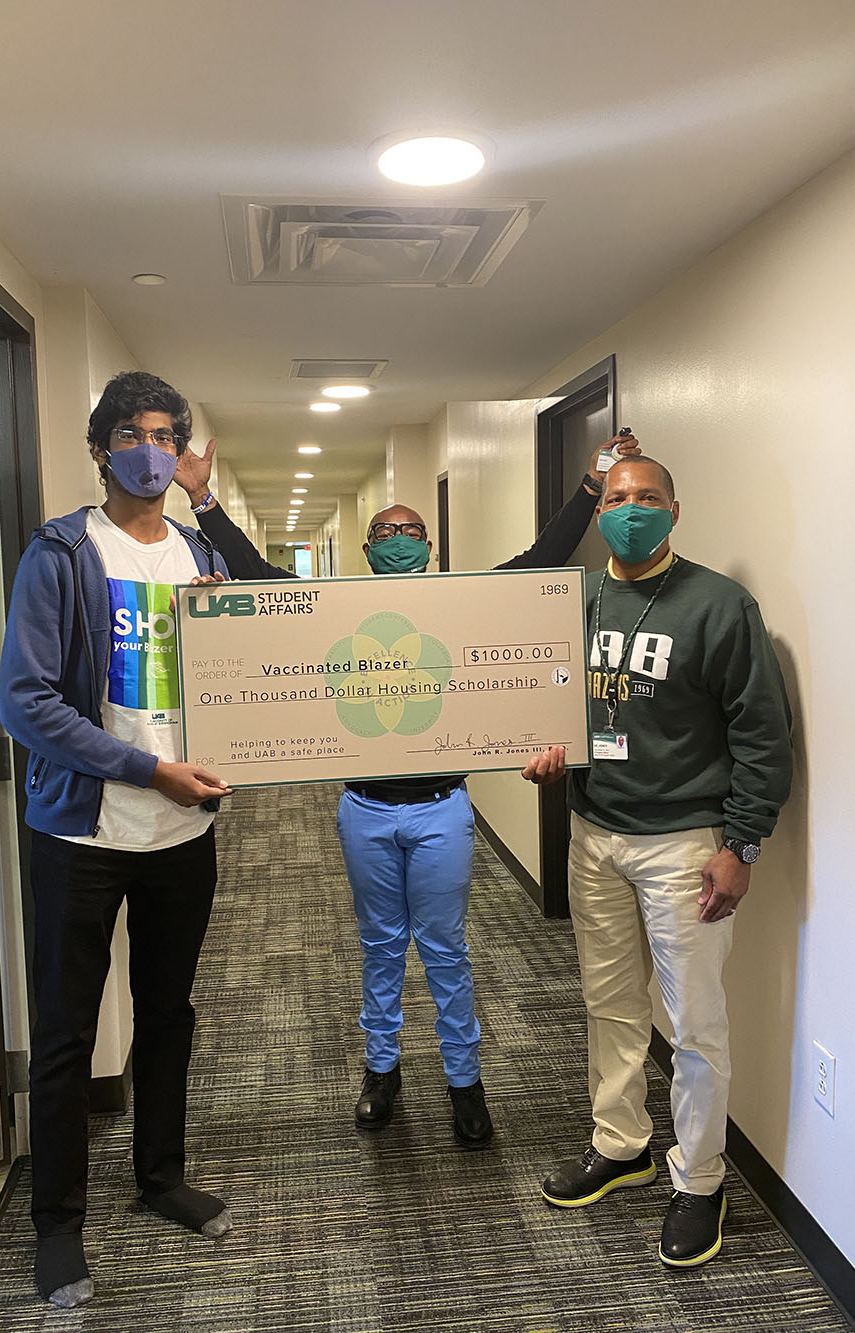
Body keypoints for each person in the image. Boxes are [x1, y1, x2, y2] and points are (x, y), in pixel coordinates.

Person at [173, 433, 640, 1148]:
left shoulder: (456, 603)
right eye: (385, 533)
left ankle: (464, 1080)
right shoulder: (332, 605)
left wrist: (591, 484)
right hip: (364, 809)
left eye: (411, 531)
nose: (398, 539)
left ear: (431, 545)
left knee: (447, 949)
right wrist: (202, 500)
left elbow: (539, 563)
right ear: (365, 550)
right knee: (380, 945)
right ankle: (380, 1070)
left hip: (441, 810)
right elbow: (255, 572)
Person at [0, 372, 236, 1308]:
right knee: (64, 1031)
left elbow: (260, 665)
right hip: (85, 831)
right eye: (133, 434)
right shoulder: (61, 552)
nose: (151, 447)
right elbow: (27, 702)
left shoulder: (196, 552)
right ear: (101, 450)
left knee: (168, 1011)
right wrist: (147, 770)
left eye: (165, 434)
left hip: (184, 830)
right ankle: (57, 1226)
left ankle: (160, 1177)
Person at [522, 454, 792, 1268]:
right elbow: (547, 695)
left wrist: (740, 843)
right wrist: (545, 744)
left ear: (675, 510)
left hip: (685, 843)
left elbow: (762, 736)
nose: (630, 509)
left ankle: (701, 1178)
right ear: (597, 509)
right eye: (616, 498)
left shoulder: (720, 604)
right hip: (593, 828)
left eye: (647, 498)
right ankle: (621, 1142)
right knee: (608, 1000)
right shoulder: (572, 599)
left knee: (696, 1022)